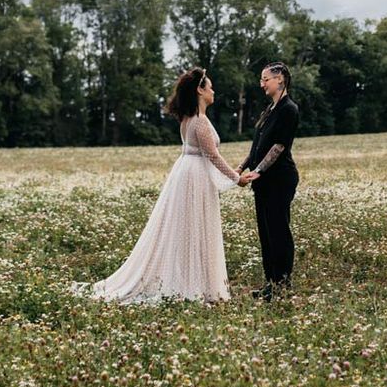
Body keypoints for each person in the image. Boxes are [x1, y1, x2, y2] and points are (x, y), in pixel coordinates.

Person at [71, 67, 245, 304]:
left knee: (188, 228)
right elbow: (213, 156)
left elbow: (209, 155)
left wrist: (232, 174)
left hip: (187, 172)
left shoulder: (188, 119)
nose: (213, 91)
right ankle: (191, 284)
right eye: (210, 87)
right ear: (200, 90)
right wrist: (237, 179)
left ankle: (193, 280)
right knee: (193, 228)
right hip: (194, 177)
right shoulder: (200, 121)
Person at [238, 62, 300, 301]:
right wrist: (243, 166)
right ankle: (270, 283)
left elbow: (278, 146)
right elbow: (258, 147)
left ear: (280, 79)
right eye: (261, 79)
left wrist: (259, 171)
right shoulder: (270, 109)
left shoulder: (288, 109)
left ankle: (282, 284)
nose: (262, 83)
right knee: (265, 233)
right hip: (263, 180)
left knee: (278, 231)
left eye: (266, 79)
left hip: (280, 179)